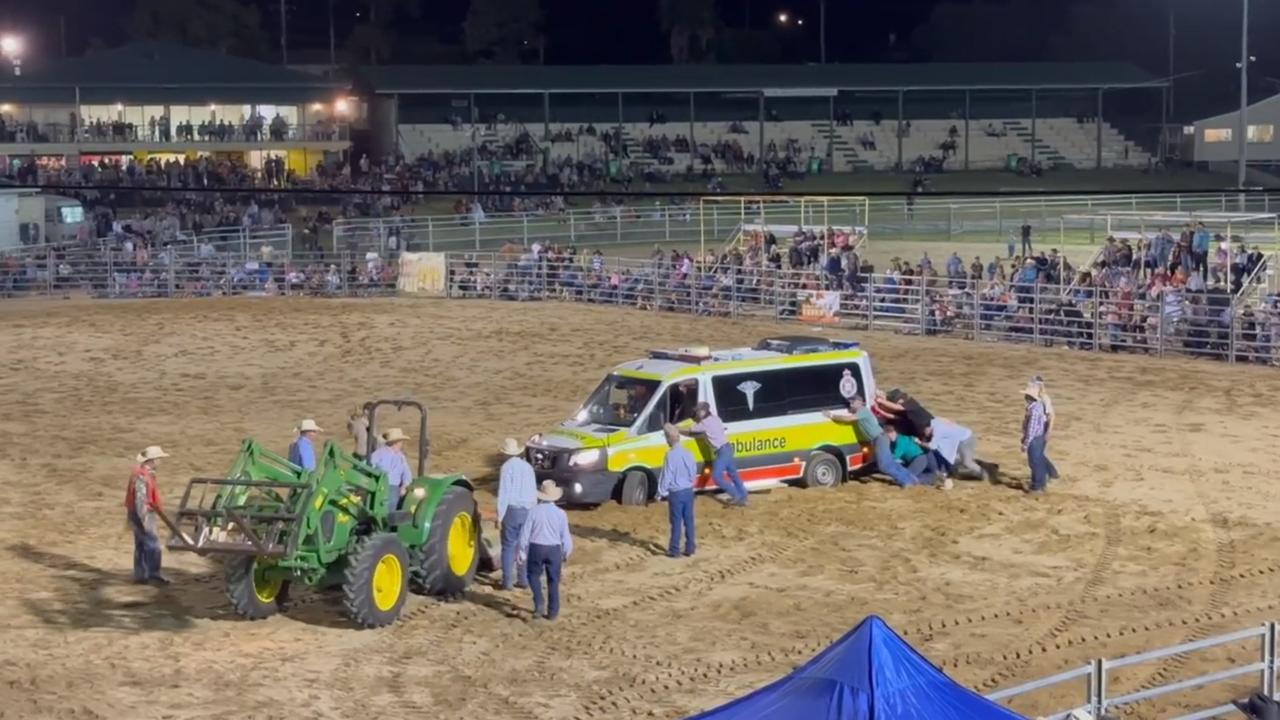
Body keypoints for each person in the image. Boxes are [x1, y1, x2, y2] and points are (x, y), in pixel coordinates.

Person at [824, 395, 920, 487]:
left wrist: (832, 415)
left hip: (879, 439)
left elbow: (849, 419)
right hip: (879, 438)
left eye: (853, 402)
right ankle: (912, 479)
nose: (851, 404)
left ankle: (906, 482)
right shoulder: (861, 412)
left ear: (859, 402)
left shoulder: (863, 411)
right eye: (850, 402)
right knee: (890, 463)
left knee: (884, 466)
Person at [517, 480, 574, 621]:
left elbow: (525, 533)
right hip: (554, 549)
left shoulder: (533, 511)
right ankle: (553, 611)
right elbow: (565, 536)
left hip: (537, 547)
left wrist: (522, 551)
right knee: (553, 581)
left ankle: (539, 602)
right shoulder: (561, 514)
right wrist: (567, 552)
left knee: (533, 576)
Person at [685, 401, 747, 506]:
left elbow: (691, 430)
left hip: (722, 451)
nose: (697, 414)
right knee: (733, 474)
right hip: (727, 448)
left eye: (698, 411)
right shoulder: (715, 418)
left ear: (704, 411)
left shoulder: (705, 423)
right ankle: (743, 495)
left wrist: (676, 429)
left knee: (717, 476)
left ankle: (735, 495)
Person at [125, 446, 171, 585]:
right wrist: (144, 520)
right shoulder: (142, 476)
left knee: (141, 544)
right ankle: (153, 575)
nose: (160, 462)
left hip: (136, 512)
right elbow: (140, 500)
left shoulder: (141, 473)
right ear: (153, 460)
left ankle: (141, 574)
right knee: (152, 544)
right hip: (143, 512)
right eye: (158, 459)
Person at [496, 437, 536, 590]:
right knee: (523, 546)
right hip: (527, 510)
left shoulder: (506, 467)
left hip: (512, 510)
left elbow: (504, 493)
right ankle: (523, 579)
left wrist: (500, 516)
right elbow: (533, 492)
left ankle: (507, 582)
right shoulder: (528, 468)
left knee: (508, 546)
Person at [657, 424, 697, 558]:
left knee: (676, 522)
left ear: (669, 438)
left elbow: (666, 475)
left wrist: (661, 492)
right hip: (688, 491)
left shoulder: (670, 455)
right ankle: (690, 547)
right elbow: (693, 472)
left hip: (676, 493)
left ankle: (674, 549)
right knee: (689, 520)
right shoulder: (688, 453)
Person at [929, 417, 988, 489]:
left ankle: (984, 474)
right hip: (959, 438)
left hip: (965, 438)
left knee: (967, 462)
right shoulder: (932, 421)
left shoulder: (936, 429)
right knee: (960, 461)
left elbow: (933, 446)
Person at [370, 428, 413, 512]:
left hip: (394, 488)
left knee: (392, 502)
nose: (402, 444)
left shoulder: (401, 457)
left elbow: (407, 474)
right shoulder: (380, 453)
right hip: (379, 485)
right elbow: (369, 465)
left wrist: (404, 486)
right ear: (395, 443)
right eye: (400, 442)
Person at [1022, 382, 1052, 494]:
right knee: (1038, 461)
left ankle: (1037, 486)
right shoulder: (1038, 406)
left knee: (1034, 462)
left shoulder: (1034, 410)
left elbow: (1031, 429)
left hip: (1034, 439)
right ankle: (1041, 484)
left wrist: (1026, 443)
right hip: (1039, 437)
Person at [1031, 376, 1061, 481]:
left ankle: (1050, 474)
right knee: (1038, 453)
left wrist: (1049, 431)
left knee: (1036, 454)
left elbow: (1051, 416)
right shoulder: (1035, 397)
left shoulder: (1044, 399)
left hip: (1042, 428)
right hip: (1039, 428)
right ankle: (1052, 472)